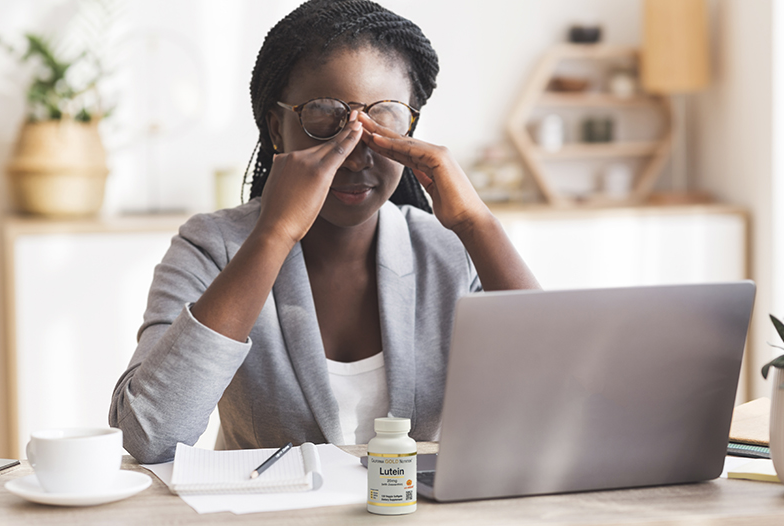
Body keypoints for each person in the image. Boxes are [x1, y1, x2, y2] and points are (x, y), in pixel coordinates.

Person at [109, 0, 539, 464]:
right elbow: (149, 436)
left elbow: (556, 400)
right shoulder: (211, 247)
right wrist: (274, 234)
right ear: (278, 128)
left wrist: (478, 226)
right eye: (324, 117)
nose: (355, 155)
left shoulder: (447, 250)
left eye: (384, 119)